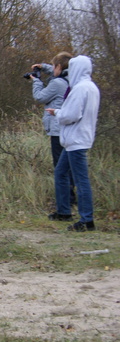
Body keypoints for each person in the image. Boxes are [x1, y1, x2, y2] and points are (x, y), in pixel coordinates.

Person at [46, 55, 100, 231]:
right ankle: (64, 211)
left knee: (80, 180)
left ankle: (86, 220)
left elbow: (71, 115)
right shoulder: (91, 87)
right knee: (61, 173)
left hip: (76, 140)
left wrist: (57, 113)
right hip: (76, 139)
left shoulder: (79, 89)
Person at [28, 52, 76, 206]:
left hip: (57, 128)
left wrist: (36, 81)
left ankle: (66, 199)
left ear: (59, 67)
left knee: (60, 166)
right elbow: (59, 71)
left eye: (54, 66)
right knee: (70, 163)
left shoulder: (57, 84)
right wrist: (44, 67)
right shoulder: (73, 79)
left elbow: (40, 97)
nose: (52, 68)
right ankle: (73, 197)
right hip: (70, 127)